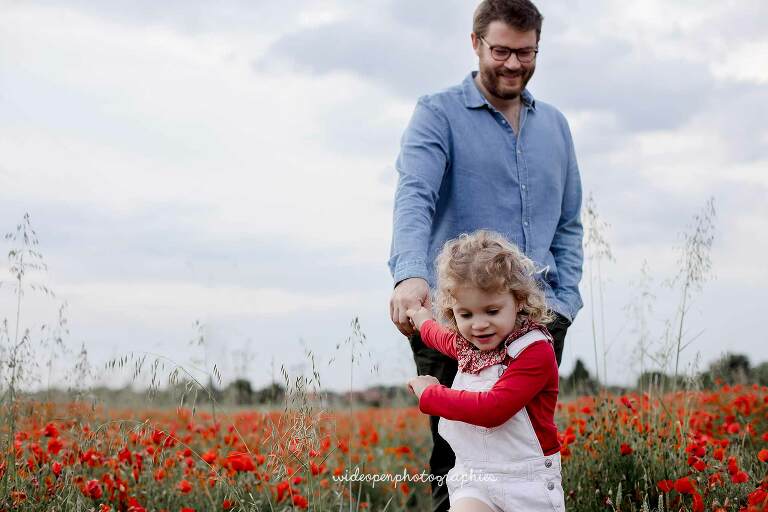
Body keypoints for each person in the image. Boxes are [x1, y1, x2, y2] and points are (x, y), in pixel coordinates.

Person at [388, 0, 582, 508]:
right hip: (458, 314)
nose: (514, 64)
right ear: (476, 44)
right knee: (456, 455)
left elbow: (568, 223)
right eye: (501, 51)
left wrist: (563, 302)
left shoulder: (556, 127)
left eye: (526, 52)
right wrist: (409, 277)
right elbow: (415, 196)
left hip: (539, 318)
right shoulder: (438, 113)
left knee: (522, 444)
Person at [406, 230, 564, 512]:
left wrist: (432, 394)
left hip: (525, 482)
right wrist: (421, 318)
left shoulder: (534, 350)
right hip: (475, 477)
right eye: (465, 314)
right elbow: (439, 336)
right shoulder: (470, 346)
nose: (478, 325)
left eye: (491, 311)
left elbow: (492, 410)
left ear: (518, 300)